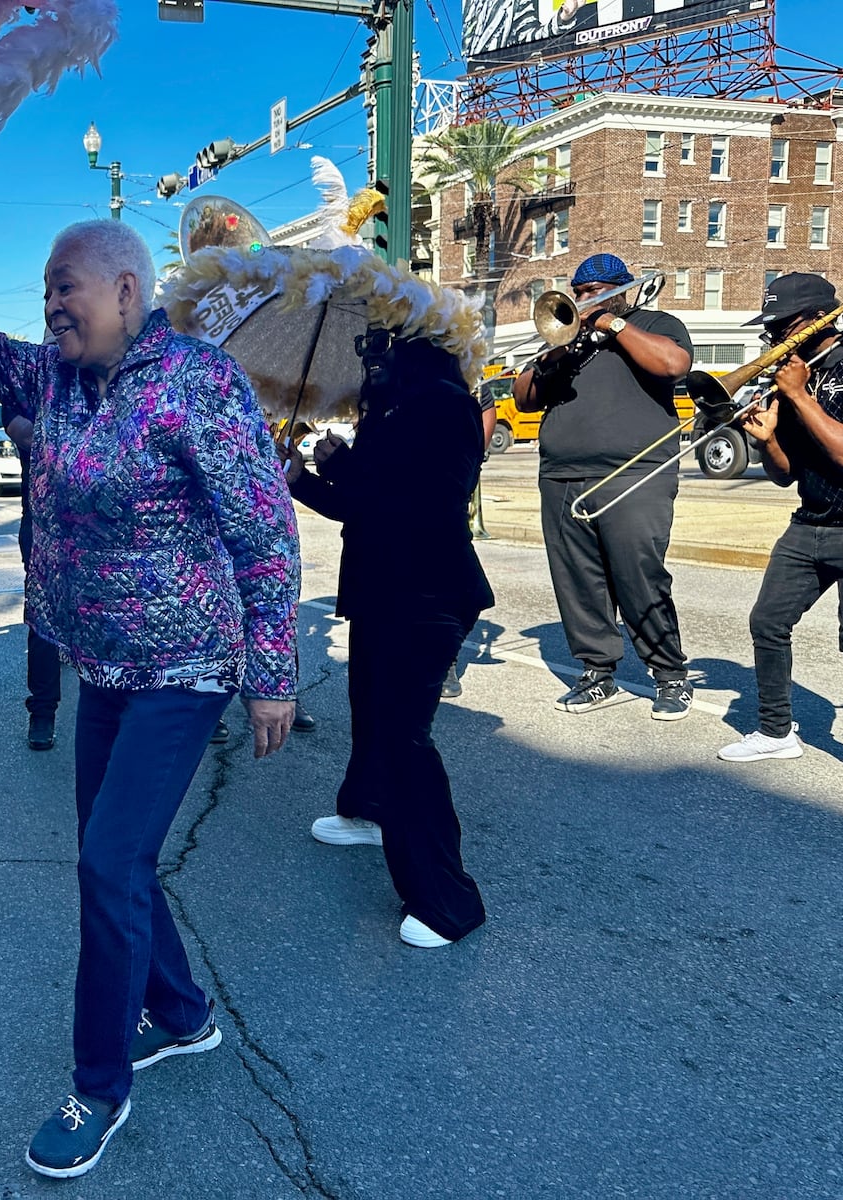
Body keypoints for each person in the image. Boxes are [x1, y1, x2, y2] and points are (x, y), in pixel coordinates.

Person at [0, 106, 299, 1180]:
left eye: (66, 286)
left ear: (125, 289)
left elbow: (263, 531)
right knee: (111, 860)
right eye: (45, 290)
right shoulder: (50, 381)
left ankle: (97, 1086)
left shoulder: (198, 382)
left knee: (108, 863)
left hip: (185, 669)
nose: (50, 305)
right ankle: (184, 1012)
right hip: (100, 667)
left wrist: (270, 675)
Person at [287, 331, 494, 949]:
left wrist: (341, 465)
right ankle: (368, 809)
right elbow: (362, 503)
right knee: (371, 716)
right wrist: (305, 476)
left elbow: (415, 500)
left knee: (405, 738)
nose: (371, 365)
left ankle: (446, 901)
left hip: (426, 596)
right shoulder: (397, 407)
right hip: (384, 593)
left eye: (383, 354)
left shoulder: (442, 403)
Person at [512, 252, 695, 718]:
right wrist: (556, 348)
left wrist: (613, 325)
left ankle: (670, 675)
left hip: (634, 473)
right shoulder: (569, 340)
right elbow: (524, 396)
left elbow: (674, 365)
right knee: (578, 580)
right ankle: (597, 672)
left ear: (621, 289)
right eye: (580, 293)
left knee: (639, 573)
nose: (585, 300)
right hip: (562, 476)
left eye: (595, 292)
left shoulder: (656, 322)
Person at [719, 275, 843, 783]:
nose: (774, 338)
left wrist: (800, 397)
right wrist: (767, 439)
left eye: (783, 327)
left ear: (819, 320)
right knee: (768, 622)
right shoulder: (797, 375)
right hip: (810, 523)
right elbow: (785, 475)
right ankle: (777, 733)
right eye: (771, 329)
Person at [7, 414, 62, 750]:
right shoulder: (33, 376)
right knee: (44, 620)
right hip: (43, 523)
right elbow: (21, 432)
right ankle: (42, 712)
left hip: (104, 520)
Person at [443, 385, 501, 700]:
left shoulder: (474, 381)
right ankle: (437, 656)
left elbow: (478, 444)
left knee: (471, 592)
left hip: (451, 491)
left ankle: (445, 656)